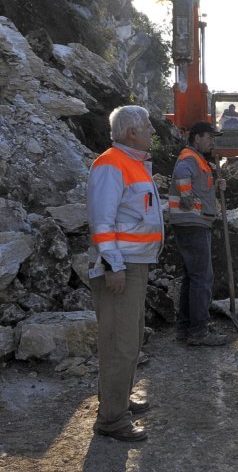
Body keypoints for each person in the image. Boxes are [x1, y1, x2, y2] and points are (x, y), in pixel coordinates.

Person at [86, 105, 164, 442]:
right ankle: (112, 420)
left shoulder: (131, 163)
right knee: (119, 344)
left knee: (128, 340)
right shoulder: (111, 164)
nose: (152, 131)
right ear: (131, 132)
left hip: (135, 265)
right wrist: (113, 265)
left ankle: (116, 402)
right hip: (121, 268)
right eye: (147, 126)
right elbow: (101, 222)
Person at [168, 121, 229, 347]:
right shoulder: (189, 158)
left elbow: (201, 186)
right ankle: (198, 332)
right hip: (192, 222)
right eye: (209, 137)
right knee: (202, 278)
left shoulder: (200, 160)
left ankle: (186, 328)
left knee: (192, 278)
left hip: (193, 222)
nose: (212, 141)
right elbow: (182, 175)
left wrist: (217, 184)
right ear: (196, 138)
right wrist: (186, 197)